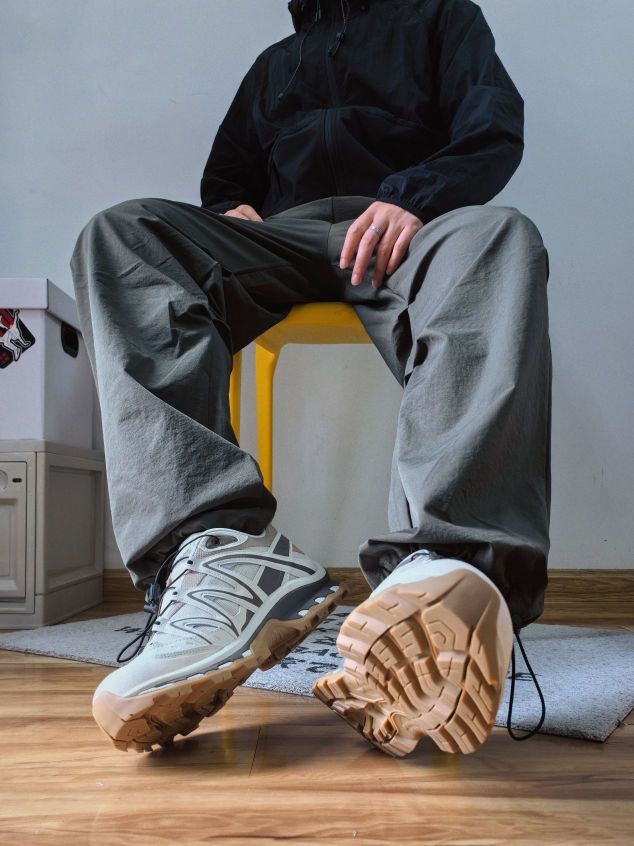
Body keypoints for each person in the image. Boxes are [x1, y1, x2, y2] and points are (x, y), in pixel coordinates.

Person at [70, 0, 550, 757]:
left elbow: (490, 129)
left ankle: (453, 573)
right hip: (282, 239)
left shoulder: (440, 17)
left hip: (404, 228)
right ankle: (215, 553)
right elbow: (226, 174)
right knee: (124, 234)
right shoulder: (274, 64)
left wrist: (414, 198)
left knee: (501, 236)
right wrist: (229, 211)